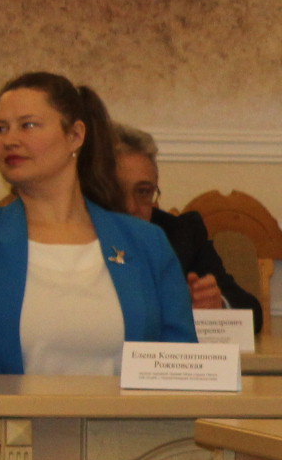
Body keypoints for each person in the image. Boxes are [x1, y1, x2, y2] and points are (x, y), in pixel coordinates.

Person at [0, 73, 196, 374]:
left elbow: (180, 363)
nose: (9, 141)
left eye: (27, 125)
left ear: (75, 135)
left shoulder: (146, 242)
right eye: (0, 129)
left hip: (128, 408)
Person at [112, 122, 266, 332]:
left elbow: (251, 313)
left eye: (144, 192)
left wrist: (217, 305)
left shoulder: (181, 234)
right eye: (118, 191)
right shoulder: (76, 235)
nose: (131, 206)